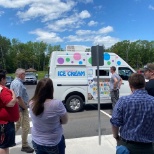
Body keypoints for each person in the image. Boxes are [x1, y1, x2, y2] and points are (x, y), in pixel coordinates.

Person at [110, 73, 154, 154]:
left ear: (130, 86)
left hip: (127, 147)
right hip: (148, 147)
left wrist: (116, 136)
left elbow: (115, 123)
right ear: (144, 84)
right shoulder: (152, 101)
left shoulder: (123, 101)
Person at [29, 78, 68, 154]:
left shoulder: (31, 102)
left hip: (37, 141)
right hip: (53, 142)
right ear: (51, 89)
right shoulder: (57, 104)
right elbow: (65, 121)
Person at [10, 68, 34, 153]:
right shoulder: (18, 83)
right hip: (21, 108)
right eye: (24, 74)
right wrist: (24, 107)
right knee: (26, 127)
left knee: (17, 125)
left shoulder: (15, 82)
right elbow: (18, 98)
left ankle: (10, 139)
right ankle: (24, 145)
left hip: (18, 108)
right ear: (20, 75)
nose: (25, 75)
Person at [0, 69, 19, 154]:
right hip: (4, 124)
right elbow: (10, 103)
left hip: (3, 122)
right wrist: (13, 94)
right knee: (3, 146)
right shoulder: (3, 90)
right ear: (2, 79)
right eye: (5, 78)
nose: (6, 80)